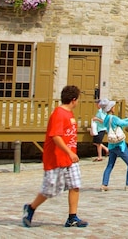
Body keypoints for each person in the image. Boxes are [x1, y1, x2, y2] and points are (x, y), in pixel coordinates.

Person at [22, 85, 87, 228]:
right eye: (78, 99)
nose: (78, 102)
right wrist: (69, 152)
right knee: (49, 190)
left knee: (75, 185)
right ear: (73, 100)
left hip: (70, 159)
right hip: (56, 158)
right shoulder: (59, 114)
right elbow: (56, 136)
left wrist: (71, 154)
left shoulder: (69, 114)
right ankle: (31, 208)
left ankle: (72, 217)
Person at [101, 100, 128, 191]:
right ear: (111, 109)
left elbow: (121, 121)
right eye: (113, 107)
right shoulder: (114, 118)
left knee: (110, 165)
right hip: (119, 145)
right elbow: (125, 124)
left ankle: (104, 184)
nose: (114, 108)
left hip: (111, 145)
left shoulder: (106, 118)